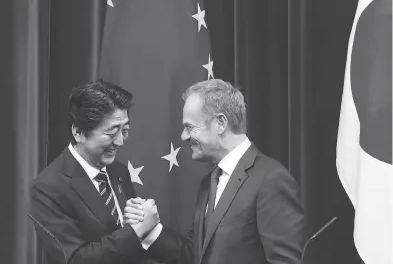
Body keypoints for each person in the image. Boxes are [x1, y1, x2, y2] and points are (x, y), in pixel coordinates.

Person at [125, 79, 305, 264]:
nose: (183, 136)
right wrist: (151, 229)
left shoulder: (270, 179)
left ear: (220, 123)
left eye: (189, 127)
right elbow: (195, 255)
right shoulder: (208, 183)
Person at [30, 79, 161, 264]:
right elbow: (74, 259)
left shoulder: (119, 171)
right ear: (79, 132)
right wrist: (136, 232)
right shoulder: (48, 188)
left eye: (125, 130)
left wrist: (140, 220)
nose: (120, 142)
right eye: (111, 133)